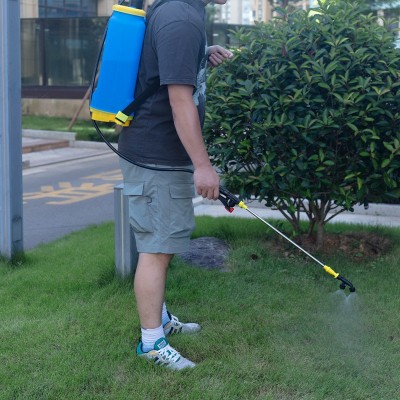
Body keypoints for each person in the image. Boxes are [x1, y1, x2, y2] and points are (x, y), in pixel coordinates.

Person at [118, 0, 232, 370]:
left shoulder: (178, 11)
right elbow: (180, 101)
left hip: (158, 151)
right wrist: (203, 166)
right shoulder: (181, 17)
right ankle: (152, 343)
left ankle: (162, 320)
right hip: (157, 155)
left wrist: (202, 55)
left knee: (161, 243)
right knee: (157, 248)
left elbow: (163, 66)